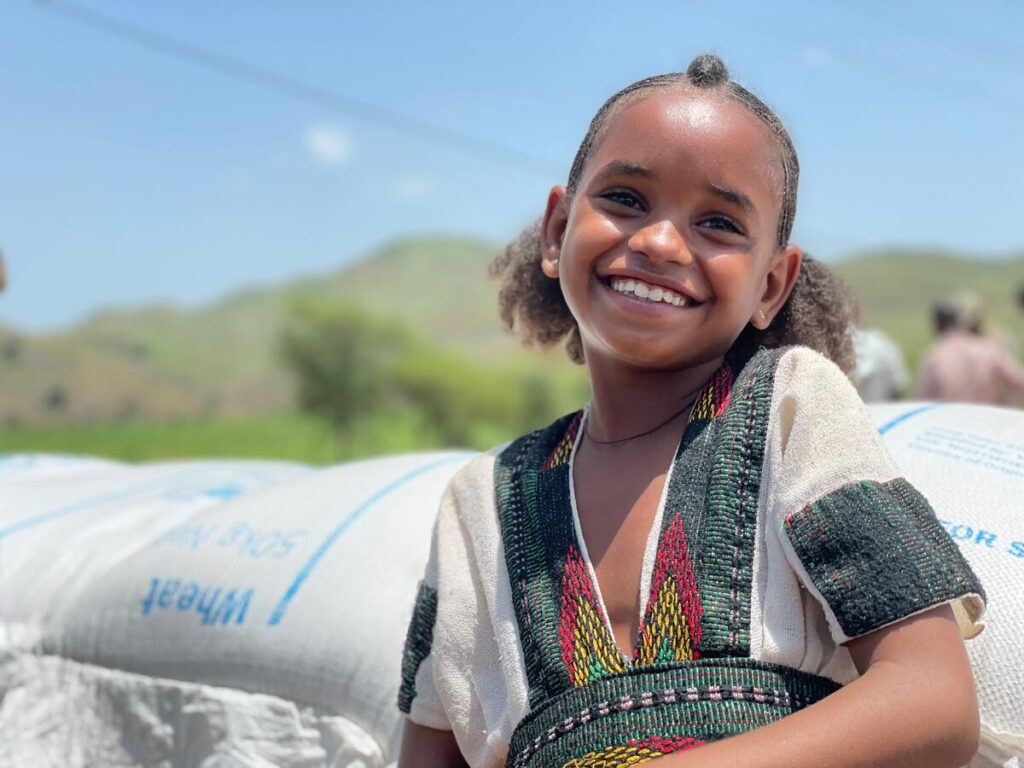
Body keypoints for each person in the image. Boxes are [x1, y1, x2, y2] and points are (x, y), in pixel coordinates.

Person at [397, 55, 985, 768]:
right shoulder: (481, 502)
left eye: (718, 222)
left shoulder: (789, 407)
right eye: (625, 198)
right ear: (556, 229)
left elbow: (934, 700)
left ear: (771, 284)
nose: (659, 242)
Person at [916, 294, 1024, 405]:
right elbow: (1019, 381)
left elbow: (923, 401)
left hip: (954, 415)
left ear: (936, 325)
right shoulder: (988, 349)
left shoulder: (934, 356)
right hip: (986, 413)